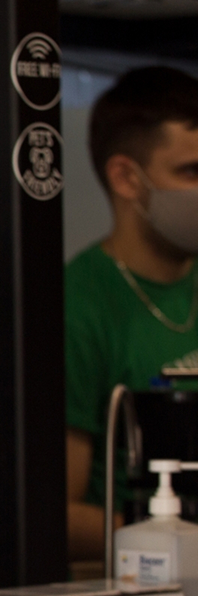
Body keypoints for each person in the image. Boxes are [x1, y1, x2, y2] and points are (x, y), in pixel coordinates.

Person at [66, 66, 198, 566]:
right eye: (191, 171)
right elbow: (56, 511)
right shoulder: (78, 307)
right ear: (127, 178)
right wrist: (172, 540)